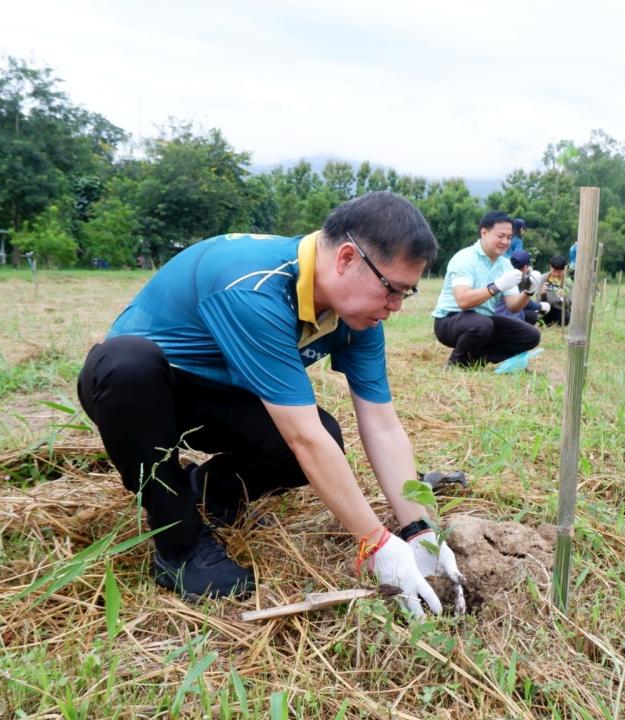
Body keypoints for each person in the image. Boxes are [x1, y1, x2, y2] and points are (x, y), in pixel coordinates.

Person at [76, 192, 464, 618]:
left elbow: (383, 426)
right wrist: (374, 542)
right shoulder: (255, 285)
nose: (394, 308)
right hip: (141, 394)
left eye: (405, 295)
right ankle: (178, 543)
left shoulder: (357, 318)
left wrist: (418, 530)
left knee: (326, 436)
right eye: (392, 290)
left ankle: (213, 490)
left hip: (224, 397)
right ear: (347, 258)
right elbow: (301, 435)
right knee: (127, 365)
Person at [431, 211, 541, 367]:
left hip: (484, 321)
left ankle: (476, 358)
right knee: (482, 324)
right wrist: (496, 286)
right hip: (450, 321)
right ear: (484, 232)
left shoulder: (505, 265)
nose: (505, 242)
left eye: (509, 238)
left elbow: (514, 306)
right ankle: (456, 362)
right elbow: (463, 301)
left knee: (531, 335)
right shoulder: (465, 258)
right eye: (500, 236)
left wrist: (529, 291)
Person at [493, 249, 541, 325]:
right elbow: (525, 302)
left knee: (531, 314)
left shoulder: (504, 273)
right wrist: (540, 306)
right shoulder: (519, 279)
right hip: (508, 318)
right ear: (526, 267)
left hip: (495, 314)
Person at [539, 255, 571, 326]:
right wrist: (543, 295)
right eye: (554, 271)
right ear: (550, 267)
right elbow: (538, 303)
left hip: (560, 310)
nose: (556, 274)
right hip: (546, 309)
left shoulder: (568, 282)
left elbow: (569, 306)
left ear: (564, 270)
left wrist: (563, 298)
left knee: (566, 317)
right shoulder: (543, 278)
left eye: (559, 272)